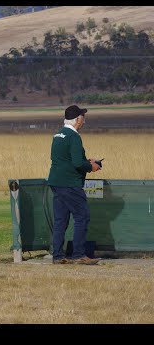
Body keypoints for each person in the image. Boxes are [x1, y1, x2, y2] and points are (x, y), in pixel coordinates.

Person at [47, 105, 101, 265]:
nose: (84, 121)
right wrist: (91, 166)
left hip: (56, 182)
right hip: (70, 184)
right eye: (83, 118)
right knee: (82, 216)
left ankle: (57, 255)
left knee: (60, 221)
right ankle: (78, 254)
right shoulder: (74, 137)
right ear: (77, 119)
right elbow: (77, 163)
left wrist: (86, 161)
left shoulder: (58, 135)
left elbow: (64, 159)